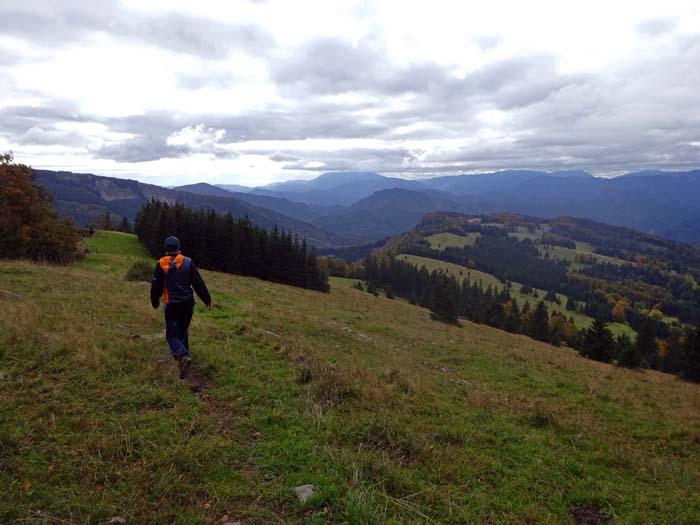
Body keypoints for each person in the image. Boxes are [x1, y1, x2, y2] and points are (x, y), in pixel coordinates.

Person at [150, 236, 211, 379]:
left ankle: (182, 357)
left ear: (166, 249)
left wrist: (155, 301)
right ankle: (184, 360)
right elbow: (198, 283)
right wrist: (207, 299)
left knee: (171, 335)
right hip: (188, 304)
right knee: (182, 330)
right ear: (178, 248)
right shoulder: (188, 262)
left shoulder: (160, 265)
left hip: (171, 305)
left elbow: (156, 286)